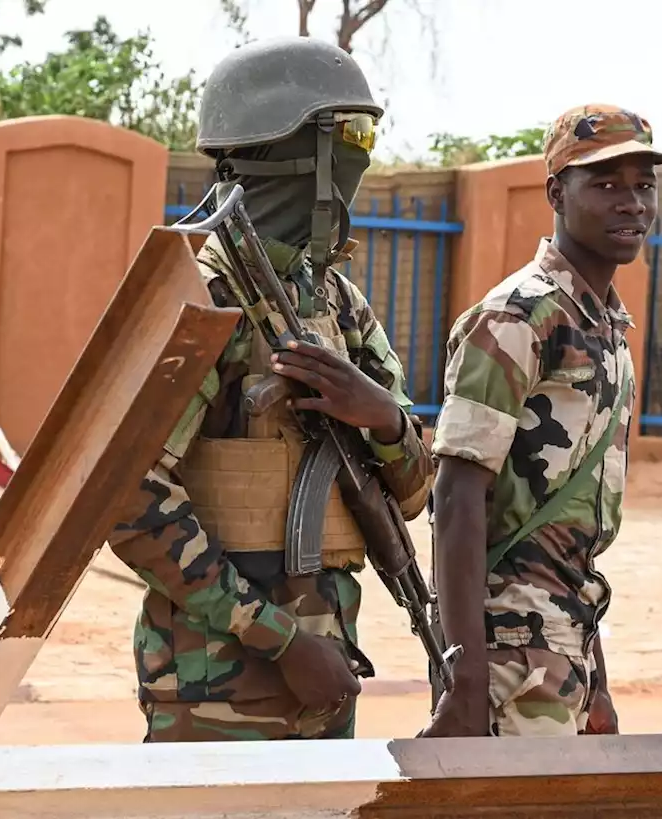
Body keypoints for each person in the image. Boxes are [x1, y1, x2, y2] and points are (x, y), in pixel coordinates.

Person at [108, 37, 434, 743]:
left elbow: (412, 492)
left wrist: (380, 418)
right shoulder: (198, 300)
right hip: (216, 688)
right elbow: (130, 502)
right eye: (348, 135)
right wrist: (281, 640)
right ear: (296, 153)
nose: (362, 156)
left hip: (328, 674)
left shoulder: (339, 306)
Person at [421, 104, 662, 738]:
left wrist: (597, 680)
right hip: (507, 642)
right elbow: (455, 496)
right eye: (606, 184)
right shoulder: (519, 317)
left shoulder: (605, 326)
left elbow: (571, 535)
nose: (631, 204)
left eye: (643, 185)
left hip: (567, 635)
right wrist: (465, 677)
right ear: (556, 193)